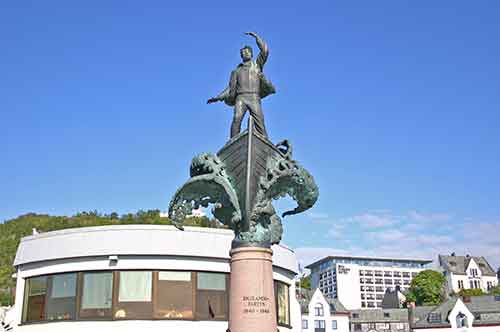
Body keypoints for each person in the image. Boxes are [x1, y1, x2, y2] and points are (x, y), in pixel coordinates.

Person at [207, 32, 275, 138]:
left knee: (260, 121)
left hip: (254, 97)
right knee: (236, 119)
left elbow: (265, 51)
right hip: (241, 97)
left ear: (251, 54)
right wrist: (217, 97)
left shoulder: (257, 65)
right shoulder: (236, 71)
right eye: (243, 52)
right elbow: (230, 89)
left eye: (247, 52)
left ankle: (264, 142)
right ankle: (233, 141)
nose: (245, 53)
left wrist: (257, 38)